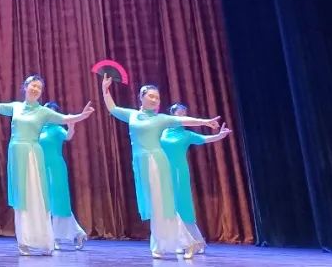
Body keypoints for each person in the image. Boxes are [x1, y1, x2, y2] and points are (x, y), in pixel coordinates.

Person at [101, 74, 221, 259]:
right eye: (151, 96)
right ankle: (167, 244)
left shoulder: (161, 119)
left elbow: (184, 121)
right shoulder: (132, 115)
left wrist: (205, 122)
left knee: (162, 204)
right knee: (155, 205)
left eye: (157, 97)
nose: (155, 100)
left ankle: (181, 243)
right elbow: (113, 108)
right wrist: (105, 89)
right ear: (141, 97)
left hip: (156, 161)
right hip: (141, 163)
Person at [0, 74, 94, 255]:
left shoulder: (44, 112)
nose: (36, 89)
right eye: (33, 85)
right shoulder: (16, 107)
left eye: (39, 87)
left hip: (33, 153)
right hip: (16, 154)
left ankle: (44, 240)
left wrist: (82, 115)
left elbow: (65, 118)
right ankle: (24, 241)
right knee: (21, 198)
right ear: (25, 87)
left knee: (36, 196)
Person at [161, 102, 232, 254]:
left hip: (179, 171)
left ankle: (196, 242)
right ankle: (180, 242)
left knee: (183, 205)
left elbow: (206, 139)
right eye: (180, 112)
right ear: (172, 113)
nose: (183, 114)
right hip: (164, 171)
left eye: (185, 112)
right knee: (168, 207)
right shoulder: (163, 132)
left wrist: (220, 135)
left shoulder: (187, 135)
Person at [39, 101, 87, 250]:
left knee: (58, 202)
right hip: (41, 167)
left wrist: (71, 127)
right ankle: (67, 234)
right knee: (45, 202)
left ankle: (62, 236)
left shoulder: (57, 128)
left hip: (55, 167)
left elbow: (68, 136)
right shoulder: (38, 129)